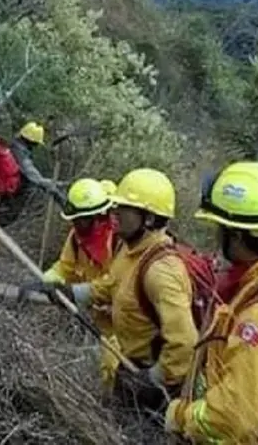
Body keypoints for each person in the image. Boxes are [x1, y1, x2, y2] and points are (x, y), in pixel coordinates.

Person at [165, 162, 258, 444]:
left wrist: (182, 416)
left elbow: (232, 419)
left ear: (236, 236)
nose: (216, 238)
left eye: (220, 230)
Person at [29, 168, 197, 410]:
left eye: (124, 209)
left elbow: (185, 342)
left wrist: (153, 379)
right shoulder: (130, 253)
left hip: (154, 387)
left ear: (148, 218)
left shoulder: (161, 271)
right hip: (129, 366)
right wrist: (67, 293)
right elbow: (107, 287)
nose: (114, 214)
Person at [39, 178, 122, 334]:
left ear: (99, 217)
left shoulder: (119, 241)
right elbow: (65, 267)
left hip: (125, 327)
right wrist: (47, 280)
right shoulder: (77, 239)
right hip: (100, 324)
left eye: (82, 220)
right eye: (74, 220)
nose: (76, 226)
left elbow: (118, 284)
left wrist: (76, 293)